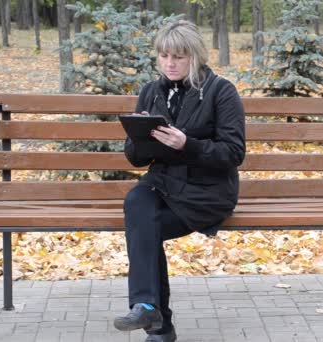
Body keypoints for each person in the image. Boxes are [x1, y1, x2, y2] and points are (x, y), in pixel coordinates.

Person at [113, 20, 245, 342]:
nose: (170, 64)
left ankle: (159, 326)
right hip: (163, 185)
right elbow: (135, 158)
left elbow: (233, 152)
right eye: (164, 56)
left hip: (207, 192)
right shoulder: (151, 91)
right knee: (136, 201)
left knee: (145, 226)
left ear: (195, 57)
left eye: (179, 57)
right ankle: (147, 307)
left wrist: (187, 144)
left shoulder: (220, 91)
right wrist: (140, 138)